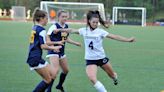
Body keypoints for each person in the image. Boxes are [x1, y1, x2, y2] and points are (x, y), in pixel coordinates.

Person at [69, 10, 135, 92]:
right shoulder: (83, 30)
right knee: (92, 78)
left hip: (101, 58)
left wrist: (128, 40)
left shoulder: (100, 32)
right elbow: (71, 30)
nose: (95, 24)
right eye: (94, 22)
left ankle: (114, 77)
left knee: (112, 75)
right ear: (89, 21)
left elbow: (114, 36)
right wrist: (60, 30)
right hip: (90, 59)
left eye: (97, 22)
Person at [26, 8, 61, 92]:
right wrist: (54, 48)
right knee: (48, 80)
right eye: (46, 18)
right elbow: (43, 46)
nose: (47, 20)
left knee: (53, 74)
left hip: (34, 57)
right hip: (35, 58)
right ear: (41, 19)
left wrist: (54, 44)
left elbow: (44, 42)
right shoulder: (41, 30)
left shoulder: (35, 27)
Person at [46, 10, 81, 92]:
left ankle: (59, 85)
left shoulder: (66, 26)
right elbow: (47, 38)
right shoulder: (54, 27)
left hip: (61, 52)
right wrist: (53, 47)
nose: (65, 18)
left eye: (66, 16)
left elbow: (66, 39)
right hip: (53, 51)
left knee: (66, 70)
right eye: (63, 16)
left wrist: (75, 43)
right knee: (55, 71)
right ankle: (48, 89)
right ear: (58, 17)